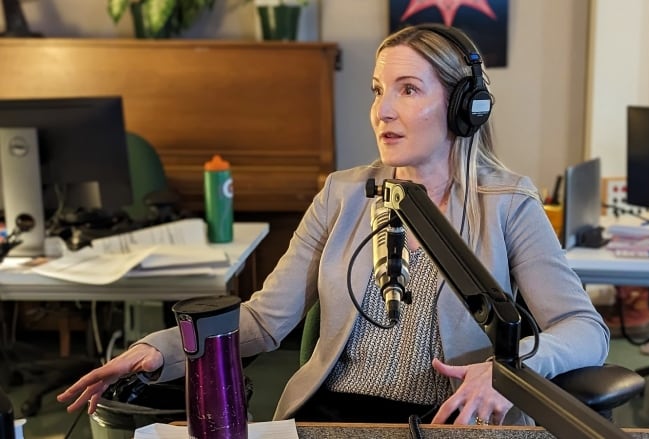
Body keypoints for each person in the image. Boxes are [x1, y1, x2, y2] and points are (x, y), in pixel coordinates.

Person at [57, 23, 609, 426]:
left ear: (465, 108)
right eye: (377, 90)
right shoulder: (343, 193)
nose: (382, 111)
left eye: (408, 90)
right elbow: (263, 321)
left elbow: (586, 331)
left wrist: (506, 372)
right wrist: (160, 350)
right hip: (331, 415)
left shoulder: (508, 201)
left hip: (445, 421)